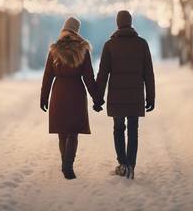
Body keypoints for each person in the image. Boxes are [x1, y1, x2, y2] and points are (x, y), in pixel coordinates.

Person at [40, 16, 103, 180]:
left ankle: (65, 163)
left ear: (63, 30)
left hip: (59, 93)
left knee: (62, 132)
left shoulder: (54, 50)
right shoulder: (83, 50)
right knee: (73, 132)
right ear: (77, 32)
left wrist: (44, 97)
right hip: (76, 92)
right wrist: (97, 99)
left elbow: (47, 76)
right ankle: (68, 166)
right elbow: (89, 77)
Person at [95, 10, 155, 180]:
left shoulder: (109, 45)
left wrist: (98, 99)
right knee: (133, 131)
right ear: (130, 23)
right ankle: (131, 165)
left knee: (119, 129)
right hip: (135, 96)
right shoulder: (142, 44)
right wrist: (151, 97)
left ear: (117, 24)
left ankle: (122, 163)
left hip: (117, 97)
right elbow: (148, 73)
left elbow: (103, 74)